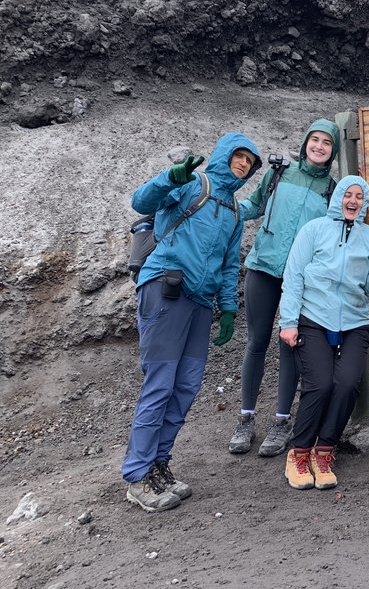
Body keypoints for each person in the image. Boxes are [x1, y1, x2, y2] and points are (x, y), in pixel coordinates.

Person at [122, 133, 261, 512]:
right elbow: (140, 202)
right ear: (224, 154)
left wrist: (229, 307)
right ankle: (137, 475)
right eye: (239, 155)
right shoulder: (191, 184)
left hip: (200, 303)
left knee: (185, 388)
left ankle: (158, 465)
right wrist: (171, 177)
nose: (244, 163)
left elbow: (230, 262)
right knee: (160, 385)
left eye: (250, 160)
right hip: (166, 289)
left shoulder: (233, 207)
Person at [277, 175, 369, 490]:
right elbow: (294, 275)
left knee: (348, 384)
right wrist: (288, 321)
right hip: (313, 317)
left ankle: (324, 452)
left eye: (359, 196)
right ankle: (299, 452)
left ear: (364, 203)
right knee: (319, 385)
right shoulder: (314, 230)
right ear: (338, 198)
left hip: (354, 321)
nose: (353, 201)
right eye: (348, 194)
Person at [228, 119, 341, 457]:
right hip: (263, 266)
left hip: (302, 277)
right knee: (257, 342)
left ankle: (281, 422)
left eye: (326, 143)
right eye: (314, 139)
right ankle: (246, 418)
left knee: (290, 342)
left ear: (333, 150)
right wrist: (223, 206)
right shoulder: (279, 173)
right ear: (306, 141)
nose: (319, 146)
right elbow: (253, 206)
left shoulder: (333, 190)